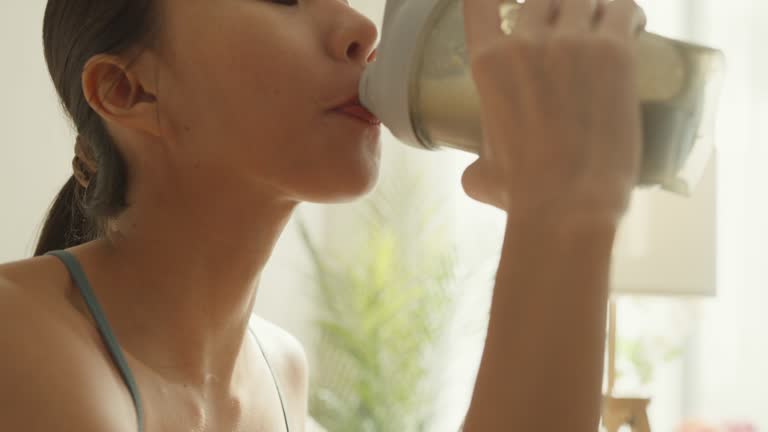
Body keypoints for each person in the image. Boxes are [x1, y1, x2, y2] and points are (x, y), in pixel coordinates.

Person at [0, 0, 646, 430]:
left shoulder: (282, 371)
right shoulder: (18, 338)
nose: (361, 27)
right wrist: (562, 210)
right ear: (128, 91)